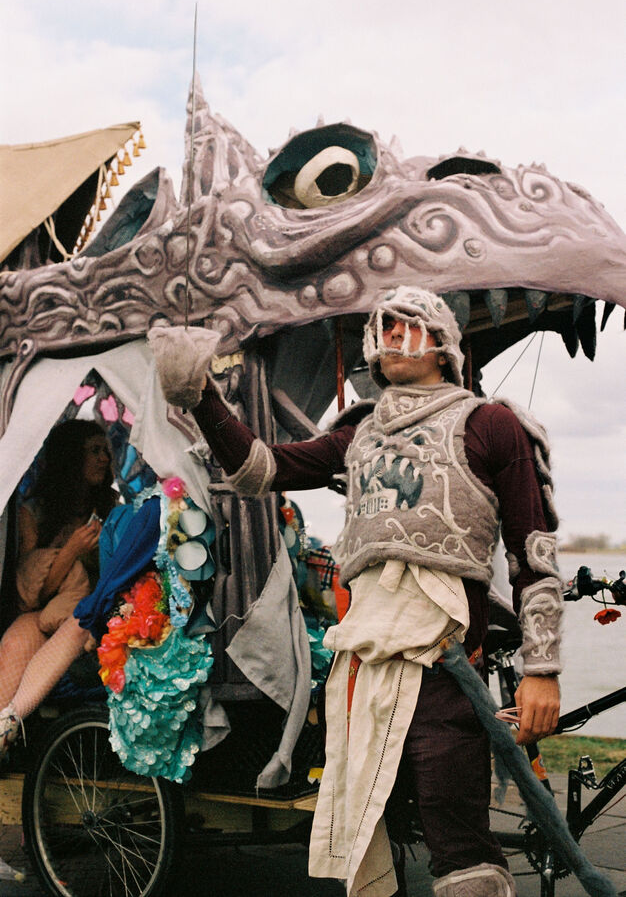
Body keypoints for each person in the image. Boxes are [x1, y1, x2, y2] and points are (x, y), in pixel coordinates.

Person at [148, 287, 564, 897]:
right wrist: (201, 397)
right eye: (383, 325)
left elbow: (534, 552)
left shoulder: (490, 424)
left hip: (446, 671)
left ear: (444, 345)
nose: (390, 333)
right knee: (366, 838)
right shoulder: (361, 435)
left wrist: (542, 670)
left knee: (462, 853)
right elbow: (260, 469)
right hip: (360, 672)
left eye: (407, 324)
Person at [0, 419, 116, 756]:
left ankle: (12, 720)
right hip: (46, 607)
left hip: (92, 611)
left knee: (79, 620)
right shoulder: (34, 512)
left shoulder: (112, 509)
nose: (104, 458)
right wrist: (71, 552)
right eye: (94, 451)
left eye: (105, 451)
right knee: (14, 643)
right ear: (70, 458)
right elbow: (35, 595)